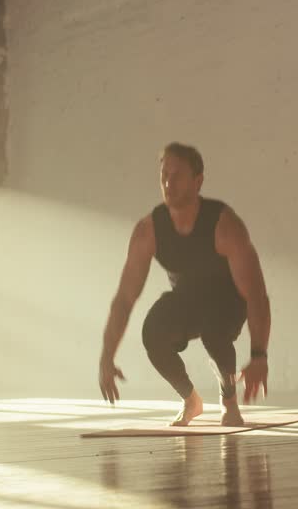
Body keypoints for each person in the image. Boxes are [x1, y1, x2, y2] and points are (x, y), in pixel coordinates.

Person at [98, 142, 271, 426]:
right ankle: (191, 400)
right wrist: (107, 357)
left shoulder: (224, 225)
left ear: (198, 181)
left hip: (228, 302)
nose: (168, 182)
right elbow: (124, 299)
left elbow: (256, 294)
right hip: (187, 300)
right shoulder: (148, 231)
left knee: (215, 334)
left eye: (177, 175)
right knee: (153, 332)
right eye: (164, 174)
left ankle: (229, 401)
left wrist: (259, 356)